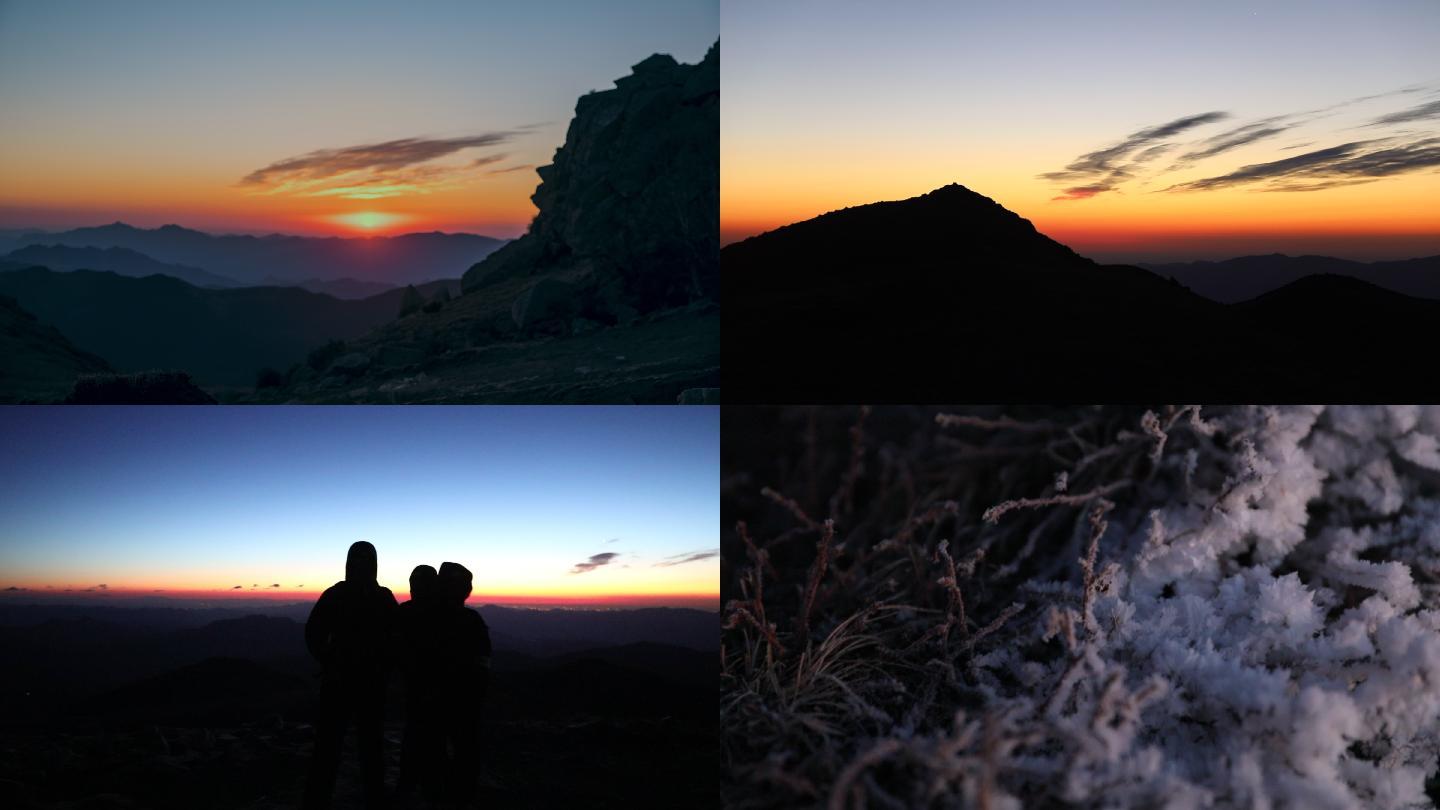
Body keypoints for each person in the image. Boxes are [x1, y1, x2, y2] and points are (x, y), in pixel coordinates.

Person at [302, 541, 398, 810]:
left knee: (331, 745)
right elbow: (397, 638)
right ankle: (373, 798)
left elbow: (313, 632)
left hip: (343, 681)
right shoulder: (382, 597)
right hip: (364, 682)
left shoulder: (336, 594)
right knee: (367, 745)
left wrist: (327, 658)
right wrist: (385, 666)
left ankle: (317, 800)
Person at [434, 561, 492, 805]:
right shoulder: (472, 619)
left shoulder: (424, 617)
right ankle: (460, 796)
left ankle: (443, 794)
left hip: (434, 697)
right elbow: (483, 660)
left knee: (438, 749)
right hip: (463, 699)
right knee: (465, 751)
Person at [396, 564, 442, 803]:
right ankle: (429, 790)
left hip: (417, 687)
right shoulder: (446, 614)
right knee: (432, 740)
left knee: (414, 736)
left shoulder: (404, 612)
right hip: (435, 690)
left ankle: (409, 788)